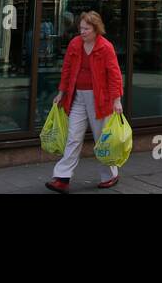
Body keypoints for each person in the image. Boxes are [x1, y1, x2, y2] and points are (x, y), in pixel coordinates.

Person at [46, 10, 125, 193]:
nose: (82, 32)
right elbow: (66, 69)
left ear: (96, 29)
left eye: (86, 29)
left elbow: (114, 76)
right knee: (73, 138)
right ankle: (62, 178)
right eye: (80, 28)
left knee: (101, 140)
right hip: (78, 97)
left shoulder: (105, 47)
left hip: (100, 99)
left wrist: (117, 100)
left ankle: (110, 175)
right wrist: (61, 93)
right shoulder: (75, 44)